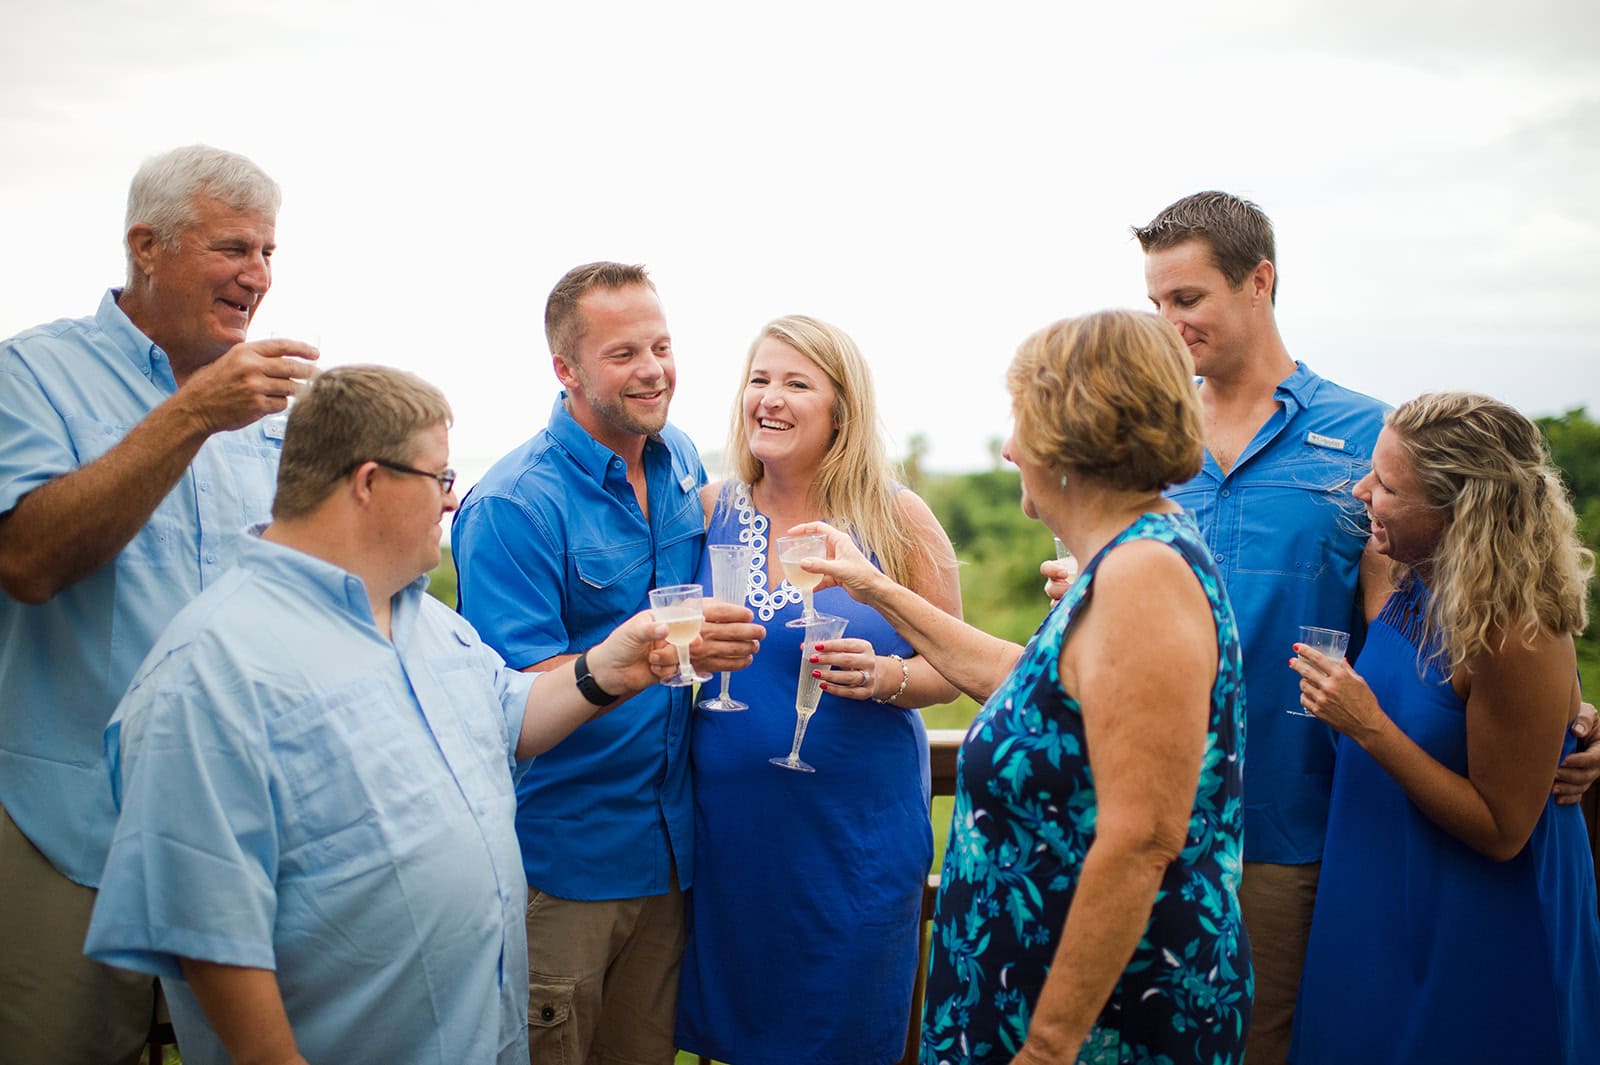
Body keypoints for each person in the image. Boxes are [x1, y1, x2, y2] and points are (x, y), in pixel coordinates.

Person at [1123, 189, 1600, 1064]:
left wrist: (1571, 716)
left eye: (1185, 299)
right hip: (1142, 810)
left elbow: (1478, 604)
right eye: (1155, 302)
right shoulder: (1144, 435)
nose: (1167, 323)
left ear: (1258, 281)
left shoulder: (1375, 438)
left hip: (1304, 826)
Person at [82, 365, 677, 1065]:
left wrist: (609, 668)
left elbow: (512, 716)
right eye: (440, 477)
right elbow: (207, 932)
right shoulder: (211, 671)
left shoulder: (428, 622)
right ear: (369, 482)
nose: (452, 502)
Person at [805, 310, 1251, 1064]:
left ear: (1075, 432)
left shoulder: (1143, 574)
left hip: (1103, 1020)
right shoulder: (1123, 560)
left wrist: (1046, 1046)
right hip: (1035, 995)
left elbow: (1141, 839)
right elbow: (1027, 686)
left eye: (1021, 421)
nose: (1010, 448)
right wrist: (871, 585)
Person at [0, 145, 317, 1062]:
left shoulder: (266, 413)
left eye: (267, 252)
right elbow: (27, 558)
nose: (257, 276)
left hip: (230, 837)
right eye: (233, 249)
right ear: (147, 245)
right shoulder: (31, 375)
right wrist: (189, 415)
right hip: (70, 833)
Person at [452, 262, 762, 1064]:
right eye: (624, 353)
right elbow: (512, 699)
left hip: (672, 857)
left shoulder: (681, 459)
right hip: (565, 866)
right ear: (566, 368)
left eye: (661, 345)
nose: (654, 368)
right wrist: (637, 656)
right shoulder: (513, 504)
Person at [673, 315, 962, 1064]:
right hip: (733, 847)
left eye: (796, 383)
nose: (769, 398)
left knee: (844, 1036)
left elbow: (953, 666)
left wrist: (888, 676)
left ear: (842, 408)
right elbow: (665, 644)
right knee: (730, 1039)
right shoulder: (707, 512)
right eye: (759, 379)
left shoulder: (898, 521)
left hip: (853, 848)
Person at [1288, 392, 1600, 1063]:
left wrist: (1368, 727)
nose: (1364, 491)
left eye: (1388, 485)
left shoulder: (1515, 628)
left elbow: (1503, 830)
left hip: (1473, 920)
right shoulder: (1407, 567)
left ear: (1462, 512)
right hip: (1380, 889)